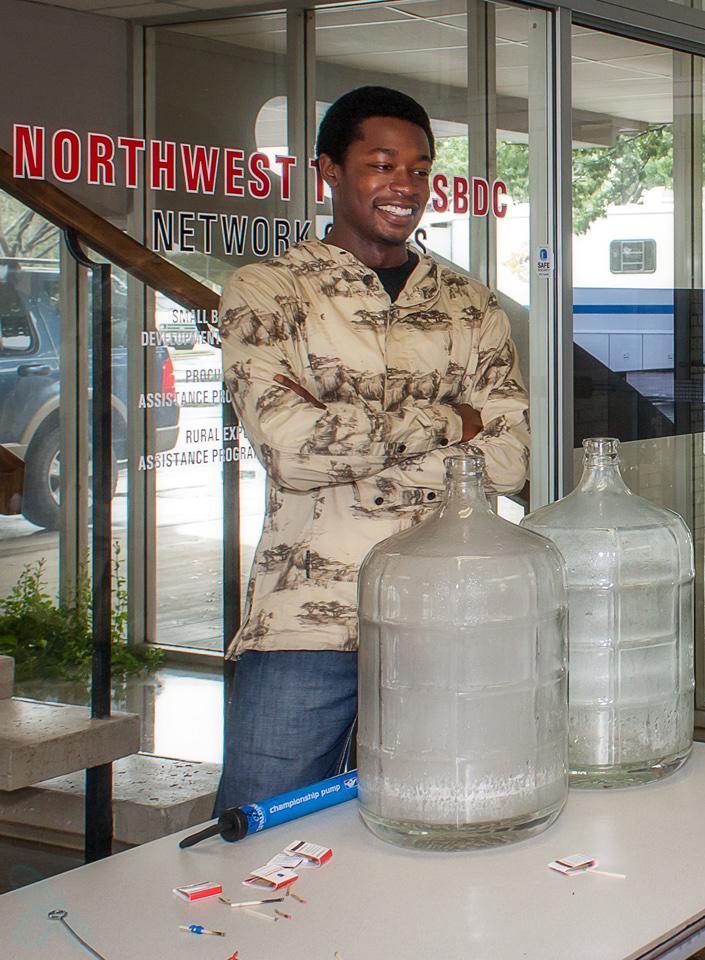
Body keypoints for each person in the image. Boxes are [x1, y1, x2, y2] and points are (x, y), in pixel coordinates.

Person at [214, 86, 528, 811]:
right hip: (309, 618)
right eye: (381, 164)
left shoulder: (469, 305)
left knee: (443, 817)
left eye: (419, 170)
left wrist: (351, 432)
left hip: (447, 615)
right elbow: (292, 450)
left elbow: (511, 462)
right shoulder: (271, 293)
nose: (405, 187)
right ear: (328, 169)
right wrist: (452, 421)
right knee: (256, 830)